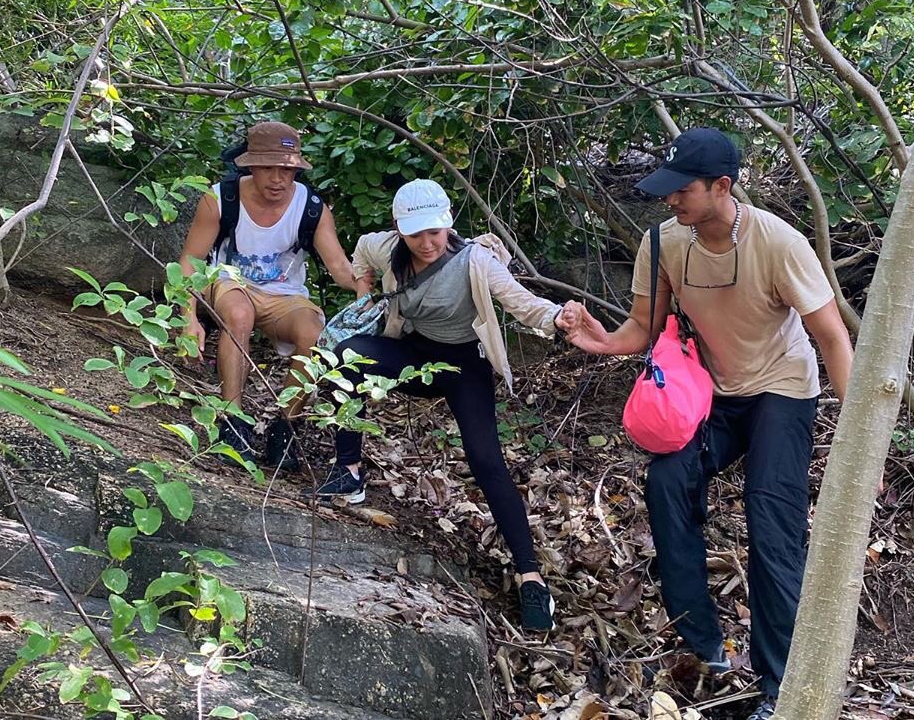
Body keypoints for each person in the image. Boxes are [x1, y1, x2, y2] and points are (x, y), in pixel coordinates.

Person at [562, 128, 854, 720]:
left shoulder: (777, 241)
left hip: (783, 389)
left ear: (722, 187)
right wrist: (599, 341)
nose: (671, 201)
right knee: (667, 482)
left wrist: (857, 445)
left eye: (682, 190)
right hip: (716, 393)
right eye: (667, 191)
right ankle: (704, 647)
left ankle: (780, 686)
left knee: (770, 519)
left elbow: (831, 337)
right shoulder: (665, 241)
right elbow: (643, 328)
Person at [310, 178, 574, 631]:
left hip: (463, 365)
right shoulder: (384, 245)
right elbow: (361, 255)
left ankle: (530, 576)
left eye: (434, 231)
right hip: (413, 354)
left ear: (448, 223)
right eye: (416, 234)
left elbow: (521, 303)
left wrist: (557, 317)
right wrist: (364, 290)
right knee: (343, 357)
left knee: (488, 462)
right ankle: (348, 471)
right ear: (400, 229)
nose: (427, 243)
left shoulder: (476, 260)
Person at [179, 121, 362, 470]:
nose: (277, 179)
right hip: (231, 282)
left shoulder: (312, 207)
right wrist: (188, 317)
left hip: (285, 294)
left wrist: (365, 283)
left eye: (287, 169)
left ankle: (286, 427)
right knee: (238, 314)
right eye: (267, 168)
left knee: (314, 333)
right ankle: (231, 419)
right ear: (249, 166)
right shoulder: (220, 199)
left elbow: (339, 266)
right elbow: (190, 263)